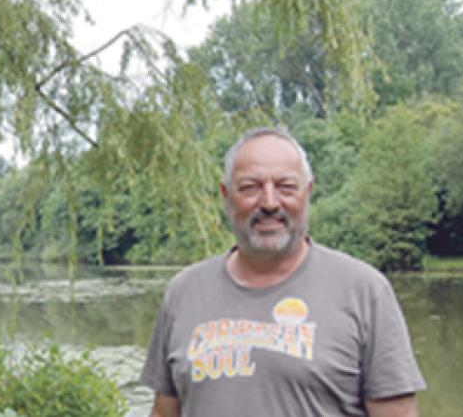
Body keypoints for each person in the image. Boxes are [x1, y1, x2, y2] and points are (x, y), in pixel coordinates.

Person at [141, 127, 426, 417]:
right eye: (250, 187)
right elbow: (165, 412)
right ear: (226, 196)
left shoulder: (364, 291)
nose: (269, 202)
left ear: (308, 192)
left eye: (286, 186)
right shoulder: (183, 292)